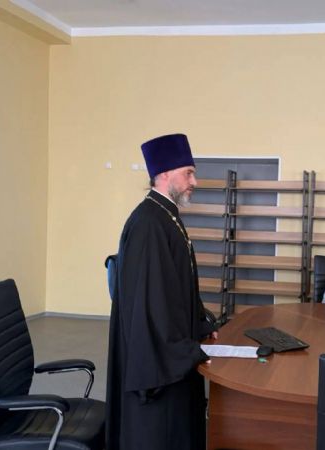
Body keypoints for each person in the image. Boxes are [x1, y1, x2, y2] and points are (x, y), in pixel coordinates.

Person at [106, 133, 217, 450]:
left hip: (174, 344)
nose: (194, 181)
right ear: (165, 173)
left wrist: (201, 324)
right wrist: (184, 351)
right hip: (158, 364)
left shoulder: (167, 216)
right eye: (188, 173)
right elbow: (151, 304)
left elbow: (178, 287)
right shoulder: (149, 224)